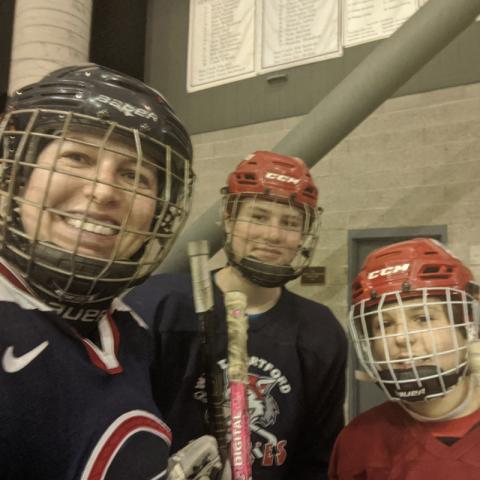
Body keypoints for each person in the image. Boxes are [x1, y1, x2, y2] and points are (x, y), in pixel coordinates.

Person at [0, 64, 224, 480]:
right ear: (19, 177)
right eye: (77, 157)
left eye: (134, 176)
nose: (103, 191)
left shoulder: (129, 328)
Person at [125, 150, 348, 479]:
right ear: (229, 219)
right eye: (258, 216)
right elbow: (118, 426)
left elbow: (317, 458)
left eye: (289, 223)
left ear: (303, 234)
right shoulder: (159, 305)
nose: (273, 235)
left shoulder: (319, 331)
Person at [329, 237, 480, 479]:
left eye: (423, 318)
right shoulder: (358, 440)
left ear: (467, 327)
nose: (401, 337)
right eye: (385, 324)